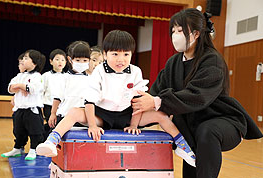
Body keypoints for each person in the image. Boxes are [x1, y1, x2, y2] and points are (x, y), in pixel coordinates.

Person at [131, 8, 263, 178]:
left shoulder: (212, 60)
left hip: (223, 123)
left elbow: (197, 96)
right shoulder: (173, 63)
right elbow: (153, 94)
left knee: (207, 131)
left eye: (180, 31)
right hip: (192, 130)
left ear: (195, 34)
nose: (175, 35)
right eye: (173, 31)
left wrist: (157, 101)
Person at [36, 30, 196, 168]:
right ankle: (52, 140)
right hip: (101, 115)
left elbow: (138, 101)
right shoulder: (99, 71)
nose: (121, 59)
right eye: (115, 54)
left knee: (161, 115)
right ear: (105, 54)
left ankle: (182, 145)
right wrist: (92, 125)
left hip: (127, 115)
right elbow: (90, 101)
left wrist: (134, 124)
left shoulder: (135, 71)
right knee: (74, 112)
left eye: (126, 54)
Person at [1, 49, 46, 161]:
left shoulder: (37, 76)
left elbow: (33, 89)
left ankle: (33, 149)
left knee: (35, 131)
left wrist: (21, 86)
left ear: (34, 63)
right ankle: (17, 148)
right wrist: (21, 86)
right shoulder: (19, 75)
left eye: (26, 58)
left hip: (32, 110)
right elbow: (10, 88)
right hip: (19, 109)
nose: (23, 60)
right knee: (18, 130)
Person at [48, 41, 91, 129]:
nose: (81, 63)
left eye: (85, 60)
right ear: (70, 59)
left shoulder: (91, 79)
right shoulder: (64, 77)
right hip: (65, 116)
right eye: (78, 60)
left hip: (84, 119)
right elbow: (57, 98)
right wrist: (53, 114)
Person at [42, 49, 67, 138]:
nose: (60, 62)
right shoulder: (46, 76)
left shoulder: (67, 76)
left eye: (62, 60)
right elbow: (41, 90)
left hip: (62, 106)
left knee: (59, 125)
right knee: (51, 124)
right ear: (51, 61)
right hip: (49, 105)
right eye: (57, 59)